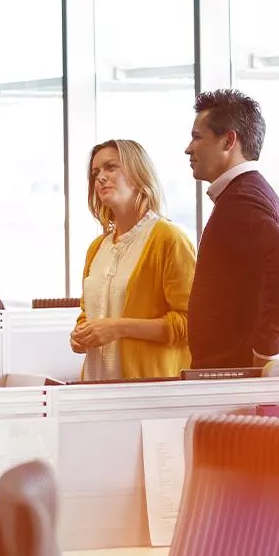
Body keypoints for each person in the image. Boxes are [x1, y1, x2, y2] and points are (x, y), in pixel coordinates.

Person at [185, 88, 279, 370]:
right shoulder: (251, 193)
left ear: (229, 140)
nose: (188, 148)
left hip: (238, 376)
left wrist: (266, 350)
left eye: (197, 137)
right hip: (236, 373)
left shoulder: (242, 200)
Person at [71, 139, 196, 381]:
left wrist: (118, 327)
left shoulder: (169, 239)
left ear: (138, 173)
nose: (100, 178)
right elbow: (89, 312)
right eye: (95, 172)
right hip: (95, 387)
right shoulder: (97, 248)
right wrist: (81, 333)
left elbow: (190, 323)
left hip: (148, 391)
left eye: (111, 167)